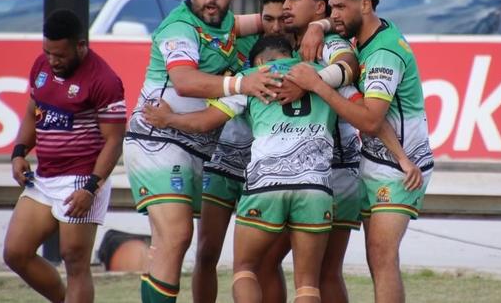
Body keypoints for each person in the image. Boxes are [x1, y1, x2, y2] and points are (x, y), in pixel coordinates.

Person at [143, 35, 362, 303]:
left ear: (259, 60)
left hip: (265, 184)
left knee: (245, 270)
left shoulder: (250, 78)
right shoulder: (319, 74)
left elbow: (204, 123)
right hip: (316, 187)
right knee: (307, 285)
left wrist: (168, 119)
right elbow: (361, 110)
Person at [122, 0, 281, 303]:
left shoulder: (227, 26)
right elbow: (184, 81)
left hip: (194, 147)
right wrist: (242, 83)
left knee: (167, 245)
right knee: (178, 236)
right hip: (157, 139)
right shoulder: (179, 28)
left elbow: (279, 21)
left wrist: (317, 26)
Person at [286, 0, 433, 303]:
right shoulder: (364, 37)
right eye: (331, 7)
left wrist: (318, 85)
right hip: (379, 159)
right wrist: (316, 25)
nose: (334, 15)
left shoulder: (383, 54)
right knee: (375, 259)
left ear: (365, 5)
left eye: (340, 8)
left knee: (382, 258)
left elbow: (369, 120)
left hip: (401, 171)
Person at [3, 9, 126, 303]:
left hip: (82, 178)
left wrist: (90, 188)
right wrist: (19, 152)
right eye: (48, 53)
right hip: (43, 177)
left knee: (75, 261)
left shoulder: (105, 80)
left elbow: (114, 141)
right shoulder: (42, 66)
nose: (53, 61)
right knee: (16, 253)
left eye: (60, 55)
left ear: (81, 45)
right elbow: (34, 111)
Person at [268, 0, 362, 303]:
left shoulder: (327, 42)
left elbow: (350, 63)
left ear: (320, 7)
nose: (286, 6)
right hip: (312, 172)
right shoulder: (292, 40)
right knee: (313, 272)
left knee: (314, 272)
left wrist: (310, 81)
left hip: (333, 171)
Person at [191, 0, 288, 303]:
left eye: (282, 19)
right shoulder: (238, 42)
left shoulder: (301, 53)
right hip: (223, 161)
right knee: (206, 253)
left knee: (264, 262)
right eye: (267, 19)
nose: (274, 27)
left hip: (267, 170)